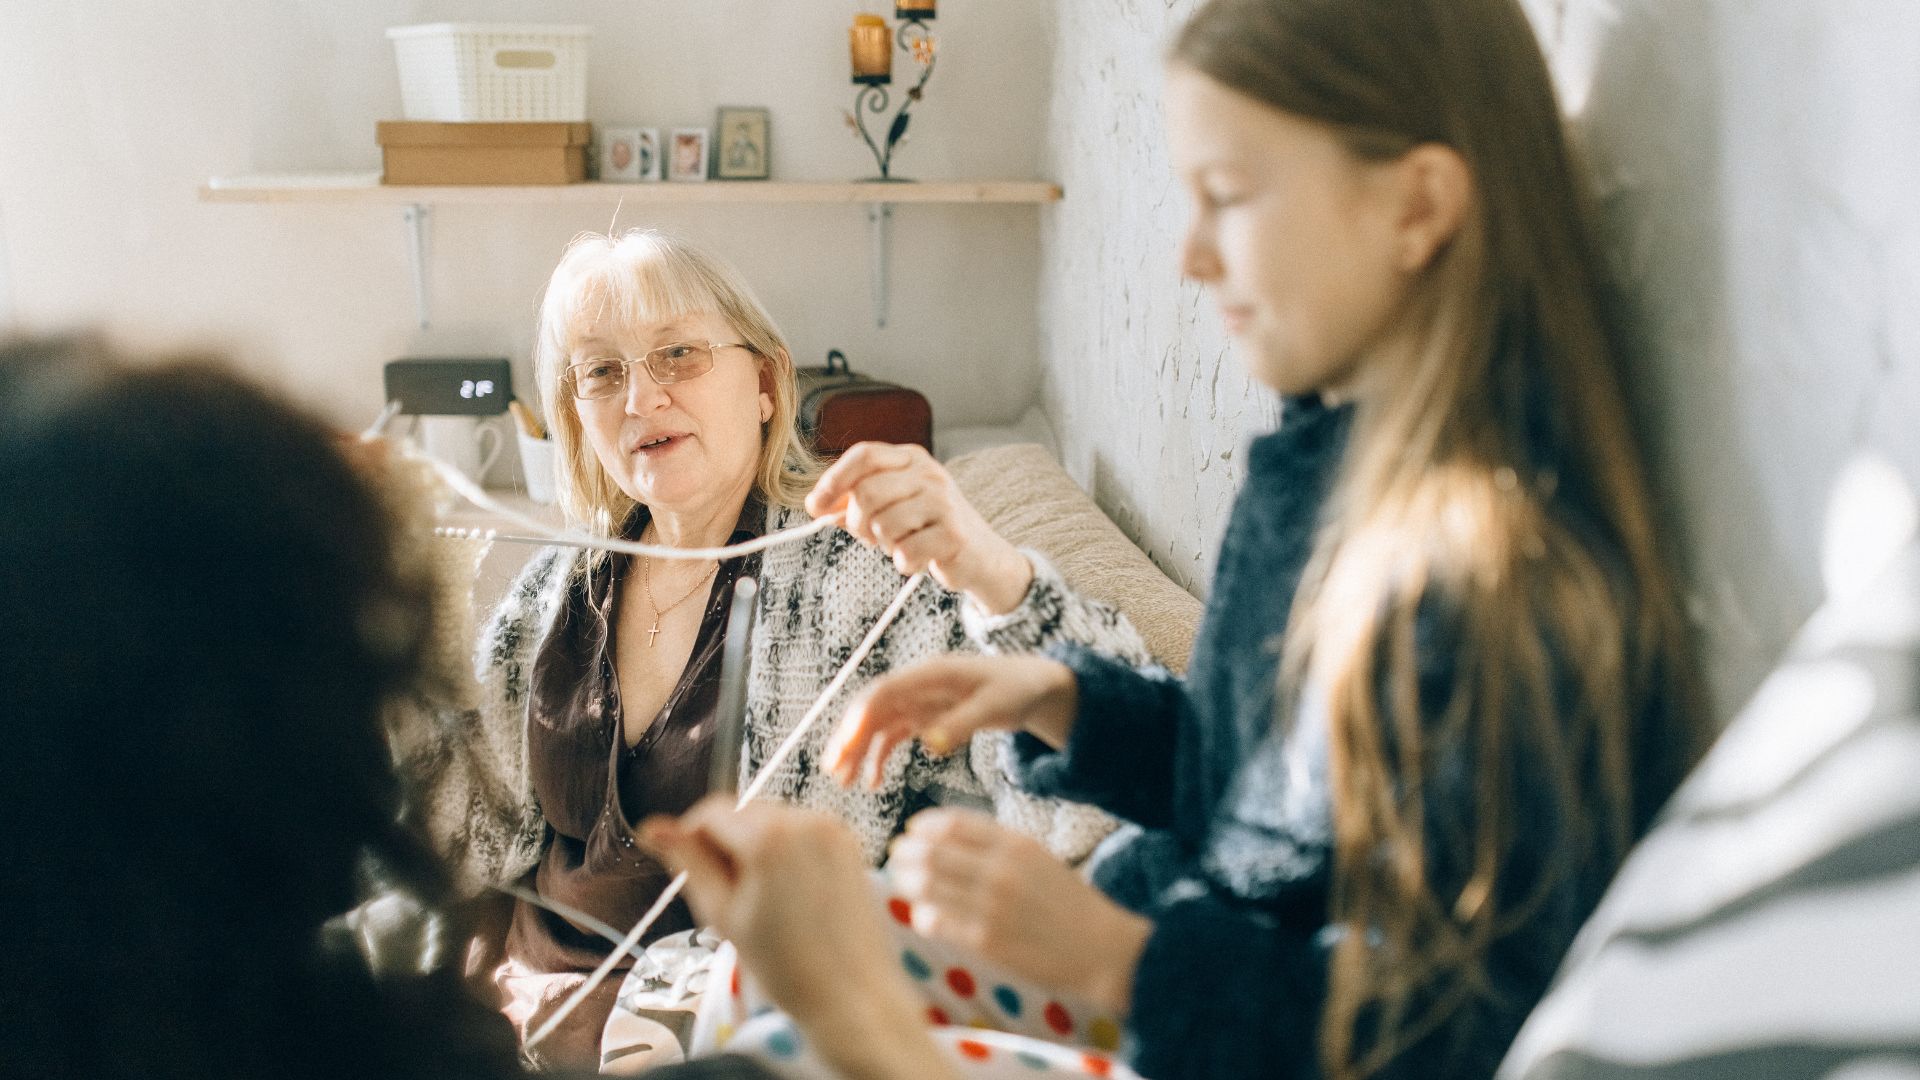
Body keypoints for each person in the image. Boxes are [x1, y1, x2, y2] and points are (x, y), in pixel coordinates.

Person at [641, 0, 1707, 1077]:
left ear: (1418, 205)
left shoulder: (1504, 583)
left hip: (1212, 1020)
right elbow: (1256, 800)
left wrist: (1121, 961)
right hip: (1169, 963)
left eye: (1228, 198)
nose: (1191, 257)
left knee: (784, 1040)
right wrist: (1060, 702)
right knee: (755, 972)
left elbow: (1452, 1033)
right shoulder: (1310, 472)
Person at [386, 229, 1151, 1067]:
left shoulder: (862, 577)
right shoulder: (553, 591)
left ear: (764, 382)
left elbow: (1089, 796)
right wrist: (384, 632)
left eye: (676, 354)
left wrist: (999, 578)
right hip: (517, 1020)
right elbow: (446, 835)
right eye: (601, 371)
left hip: (721, 1035)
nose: (640, 398)